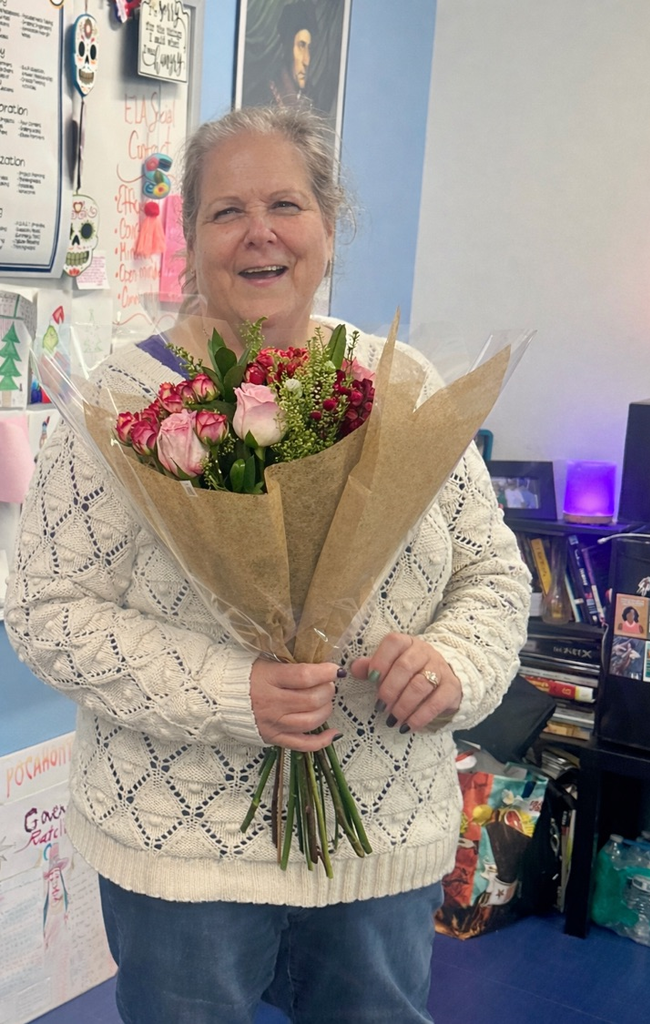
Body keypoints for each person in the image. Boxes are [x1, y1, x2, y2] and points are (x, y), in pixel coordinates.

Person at [5, 105, 531, 1024]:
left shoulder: (399, 389)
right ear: (190, 238)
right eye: (226, 211)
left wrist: (454, 664)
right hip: (179, 849)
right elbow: (45, 609)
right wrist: (230, 689)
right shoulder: (123, 400)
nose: (260, 234)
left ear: (329, 228)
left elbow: (491, 576)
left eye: (286, 204)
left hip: (379, 841)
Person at [269, 1, 316, 108]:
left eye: (310, 48)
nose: (307, 61)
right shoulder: (269, 91)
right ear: (288, 47)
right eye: (301, 46)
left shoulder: (312, 98)